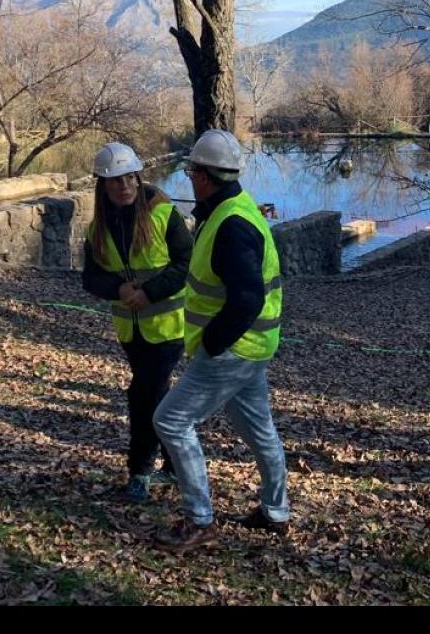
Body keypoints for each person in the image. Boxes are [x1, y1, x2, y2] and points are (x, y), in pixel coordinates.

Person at [152, 130, 289, 551]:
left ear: (206, 176)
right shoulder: (233, 208)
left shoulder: (231, 224)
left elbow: (247, 297)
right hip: (252, 348)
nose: (189, 177)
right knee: (259, 430)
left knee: (171, 421)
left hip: (233, 350)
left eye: (192, 170)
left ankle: (200, 521)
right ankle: (275, 512)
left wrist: (213, 342)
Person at [82, 142, 192, 503]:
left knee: (142, 395)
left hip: (169, 326)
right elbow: (90, 278)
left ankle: (139, 471)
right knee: (157, 396)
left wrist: (151, 291)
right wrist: (117, 288)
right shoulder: (97, 227)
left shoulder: (163, 213)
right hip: (130, 330)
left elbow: (186, 264)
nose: (124, 186)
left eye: (129, 178)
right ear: (103, 186)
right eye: (115, 181)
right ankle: (177, 463)